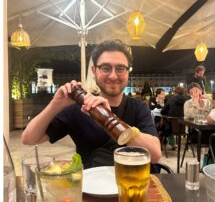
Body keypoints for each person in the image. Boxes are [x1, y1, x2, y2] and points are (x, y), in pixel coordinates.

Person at [21, 40, 161, 168]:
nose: (113, 76)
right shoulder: (78, 109)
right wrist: (55, 104)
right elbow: (28, 138)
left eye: (120, 68)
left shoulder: (138, 107)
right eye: (106, 68)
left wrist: (109, 118)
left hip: (132, 188)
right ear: (94, 71)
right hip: (92, 191)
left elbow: (155, 155)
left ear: (128, 72)